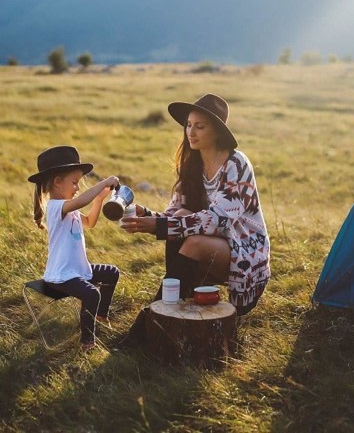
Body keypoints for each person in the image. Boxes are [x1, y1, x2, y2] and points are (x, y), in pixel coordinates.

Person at [120, 93, 270, 340]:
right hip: (212, 246)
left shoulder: (236, 164)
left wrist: (158, 226)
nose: (191, 132)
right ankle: (173, 304)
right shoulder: (192, 162)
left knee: (193, 241)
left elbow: (217, 219)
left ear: (218, 132)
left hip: (243, 252)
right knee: (180, 216)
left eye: (200, 126)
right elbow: (174, 213)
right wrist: (146, 215)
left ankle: (155, 318)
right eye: (189, 125)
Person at [29, 145, 121, 352]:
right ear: (57, 182)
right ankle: (87, 340)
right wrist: (104, 183)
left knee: (112, 273)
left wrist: (98, 200)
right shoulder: (55, 208)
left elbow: (89, 221)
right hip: (61, 275)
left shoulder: (68, 210)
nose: (77, 188)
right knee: (91, 295)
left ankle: (99, 315)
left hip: (77, 269)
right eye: (75, 182)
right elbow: (80, 201)